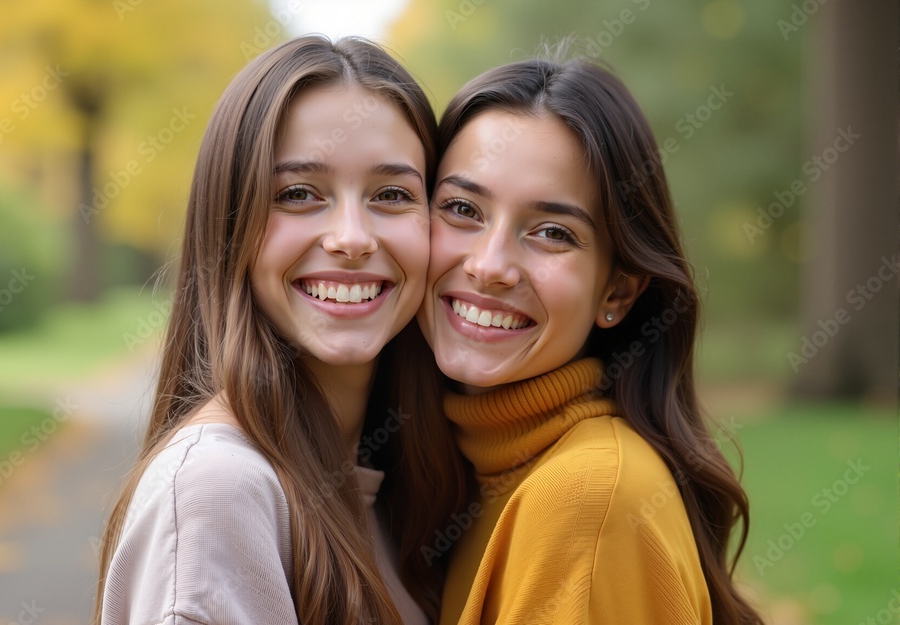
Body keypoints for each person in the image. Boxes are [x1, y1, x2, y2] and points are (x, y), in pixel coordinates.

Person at [94, 35, 465, 625]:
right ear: (229, 226)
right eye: (298, 194)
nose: (351, 238)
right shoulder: (217, 489)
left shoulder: (390, 484)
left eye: (392, 194)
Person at [417, 50, 764, 625]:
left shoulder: (586, 498)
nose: (489, 265)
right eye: (461, 208)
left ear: (617, 293)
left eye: (552, 232)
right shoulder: (465, 478)